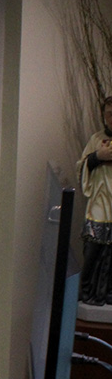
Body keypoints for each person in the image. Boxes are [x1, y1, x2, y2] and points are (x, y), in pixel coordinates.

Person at [78, 95, 112, 305]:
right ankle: (87, 289)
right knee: (93, 249)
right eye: (110, 114)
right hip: (100, 202)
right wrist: (97, 157)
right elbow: (81, 166)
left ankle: (107, 290)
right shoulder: (96, 139)